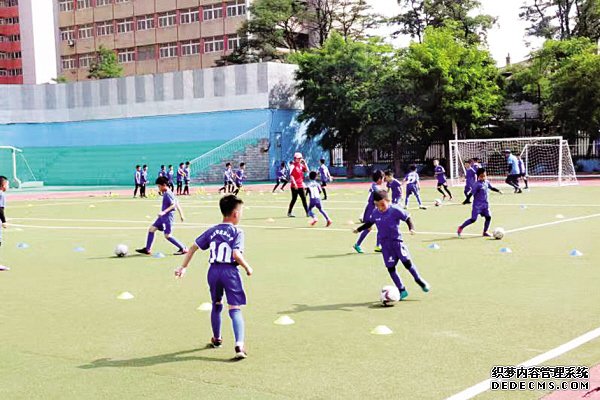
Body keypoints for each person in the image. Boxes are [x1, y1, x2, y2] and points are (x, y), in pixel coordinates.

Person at [174, 195, 253, 360]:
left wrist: (183, 267)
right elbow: (236, 254)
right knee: (235, 308)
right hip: (230, 272)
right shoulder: (238, 231)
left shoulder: (212, 230)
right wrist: (247, 267)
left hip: (213, 271)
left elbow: (193, 247)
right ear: (235, 214)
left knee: (216, 305)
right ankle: (239, 344)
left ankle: (217, 339)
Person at [354, 190, 430, 301]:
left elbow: (407, 217)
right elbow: (370, 223)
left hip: (397, 242)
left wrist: (411, 228)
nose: (381, 207)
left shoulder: (395, 210)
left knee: (407, 263)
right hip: (385, 246)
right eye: (377, 205)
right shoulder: (375, 213)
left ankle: (419, 280)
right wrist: (358, 229)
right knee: (390, 268)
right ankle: (402, 289)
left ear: (388, 201)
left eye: (383, 205)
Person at [136, 176, 187, 255]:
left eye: (159, 186)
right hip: (162, 218)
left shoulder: (167, 194)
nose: (158, 188)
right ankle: (147, 249)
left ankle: (183, 248)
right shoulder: (168, 192)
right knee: (151, 229)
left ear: (164, 185)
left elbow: (173, 205)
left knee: (167, 236)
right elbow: (176, 203)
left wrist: (164, 212)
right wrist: (181, 214)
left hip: (167, 218)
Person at [457, 168, 502, 238]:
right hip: (477, 206)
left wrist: (498, 190)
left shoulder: (487, 182)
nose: (483, 177)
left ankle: (485, 232)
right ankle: (461, 227)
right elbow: (471, 193)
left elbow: (491, 187)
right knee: (473, 219)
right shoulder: (477, 184)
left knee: (488, 217)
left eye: (484, 175)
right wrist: (466, 200)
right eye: (481, 176)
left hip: (485, 205)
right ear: (478, 176)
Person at [353, 170, 385, 254]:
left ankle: (378, 246)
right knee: (369, 228)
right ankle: (357, 244)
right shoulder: (376, 188)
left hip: (374, 209)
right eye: (383, 178)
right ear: (379, 179)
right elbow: (378, 198)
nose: (383, 180)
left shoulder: (374, 185)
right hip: (371, 210)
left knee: (380, 227)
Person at [287, 152, 309, 218]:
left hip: (301, 185)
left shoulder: (301, 165)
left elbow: (307, 170)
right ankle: (289, 212)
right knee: (294, 199)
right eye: (298, 158)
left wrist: (305, 163)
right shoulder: (292, 166)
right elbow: (291, 176)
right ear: (295, 158)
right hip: (294, 186)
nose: (300, 159)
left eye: (300, 158)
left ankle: (308, 213)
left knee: (304, 198)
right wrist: (295, 183)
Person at [0, 176, 9, 271]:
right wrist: (4, 221)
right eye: (7, 184)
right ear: (2, 185)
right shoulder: (1, 194)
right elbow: (0, 209)